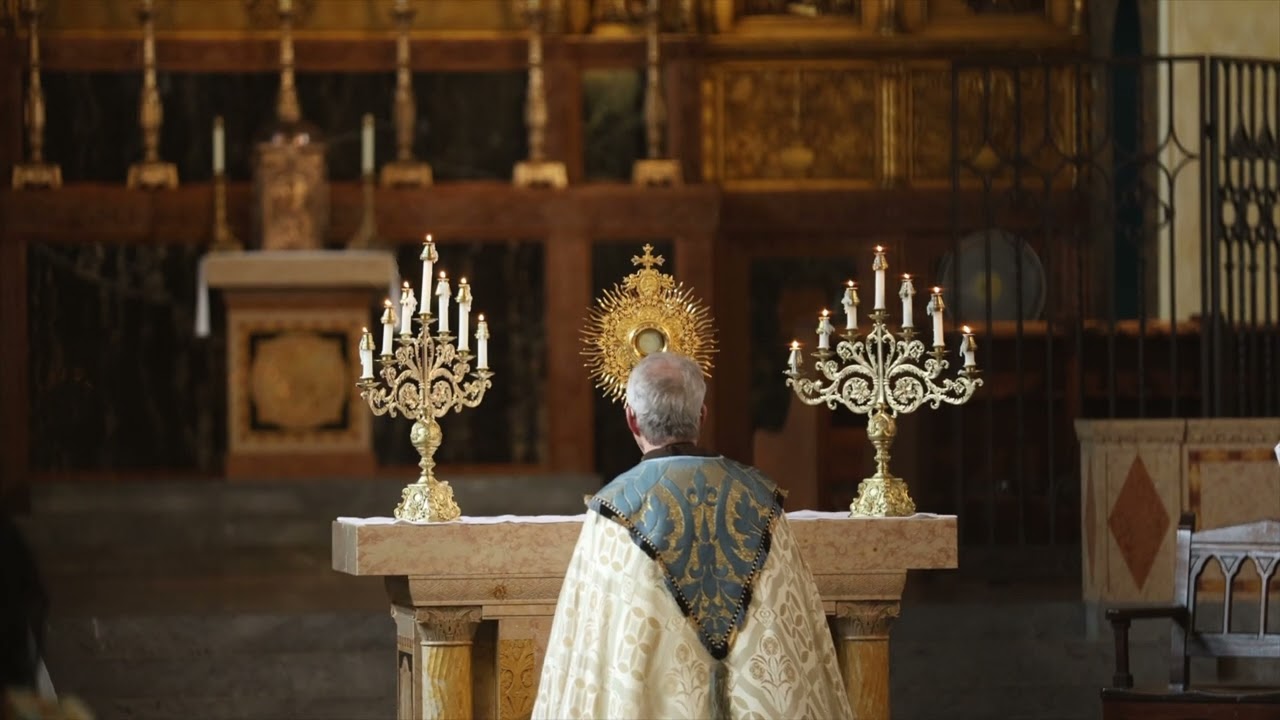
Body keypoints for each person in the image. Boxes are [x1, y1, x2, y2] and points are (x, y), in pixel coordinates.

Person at [533, 352, 853, 720]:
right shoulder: (761, 500)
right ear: (702, 415)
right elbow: (795, 633)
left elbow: (590, 650)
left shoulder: (614, 512)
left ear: (631, 418)